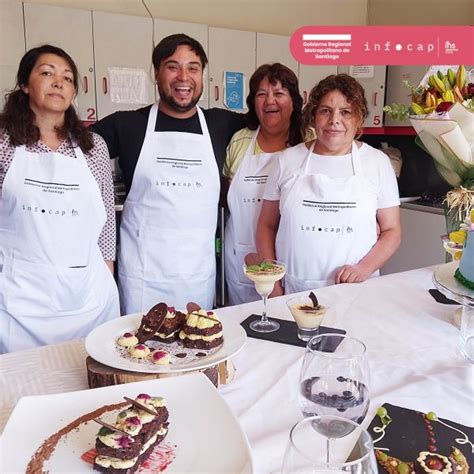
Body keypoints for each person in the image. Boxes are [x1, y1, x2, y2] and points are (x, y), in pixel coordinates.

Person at [91, 34, 245, 313]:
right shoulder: (126, 126)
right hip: (142, 277)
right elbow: (69, 146)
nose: (183, 77)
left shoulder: (221, 124)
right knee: (136, 351)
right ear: (157, 74)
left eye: (193, 68)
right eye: (173, 66)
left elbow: (273, 125)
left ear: (202, 75)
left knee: (197, 345)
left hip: (196, 276)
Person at [0, 45, 119, 353]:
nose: (59, 82)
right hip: (20, 301)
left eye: (67, 77)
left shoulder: (93, 146)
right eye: (47, 73)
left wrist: (108, 278)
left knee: (91, 385)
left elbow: (106, 222)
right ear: (25, 84)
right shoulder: (3, 142)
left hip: (86, 297)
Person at [256, 74, 401, 295]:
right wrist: (272, 284)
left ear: (359, 119)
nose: (334, 120)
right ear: (313, 117)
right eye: (325, 110)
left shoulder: (377, 163)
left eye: (345, 112)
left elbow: (392, 231)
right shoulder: (287, 160)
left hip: (356, 291)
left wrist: (363, 269)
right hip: (293, 290)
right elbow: (266, 225)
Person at [223, 63, 303, 305]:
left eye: (279, 94)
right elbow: (227, 191)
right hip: (242, 254)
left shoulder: (309, 141)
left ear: (294, 101)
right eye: (261, 94)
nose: (270, 101)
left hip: (290, 256)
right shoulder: (240, 141)